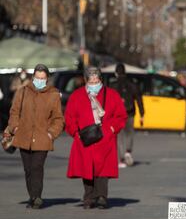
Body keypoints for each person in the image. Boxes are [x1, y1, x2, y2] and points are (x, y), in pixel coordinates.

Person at [65, 66, 127, 209]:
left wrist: (111, 129)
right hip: (84, 139)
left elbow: (121, 116)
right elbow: (69, 117)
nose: (94, 80)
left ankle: (102, 196)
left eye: (96, 77)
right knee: (86, 169)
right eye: (91, 78)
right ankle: (89, 197)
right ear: (86, 79)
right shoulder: (77, 95)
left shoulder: (112, 94)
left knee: (103, 169)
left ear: (100, 78)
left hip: (105, 138)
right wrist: (75, 132)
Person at [4, 64, 64, 209]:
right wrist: (15, 126)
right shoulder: (22, 91)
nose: (40, 81)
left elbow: (58, 118)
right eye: (37, 78)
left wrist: (51, 134)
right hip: (23, 135)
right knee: (28, 169)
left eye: (43, 78)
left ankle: (37, 196)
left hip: (43, 137)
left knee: (37, 166)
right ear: (33, 78)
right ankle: (32, 195)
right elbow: (14, 112)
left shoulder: (54, 94)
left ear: (47, 79)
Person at [113, 63, 144, 168]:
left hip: (117, 115)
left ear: (116, 73)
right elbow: (139, 99)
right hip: (130, 112)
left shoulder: (113, 85)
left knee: (119, 136)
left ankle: (121, 160)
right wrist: (142, 113)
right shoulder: (132, 85)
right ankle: (128, 151)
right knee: (129, 133)